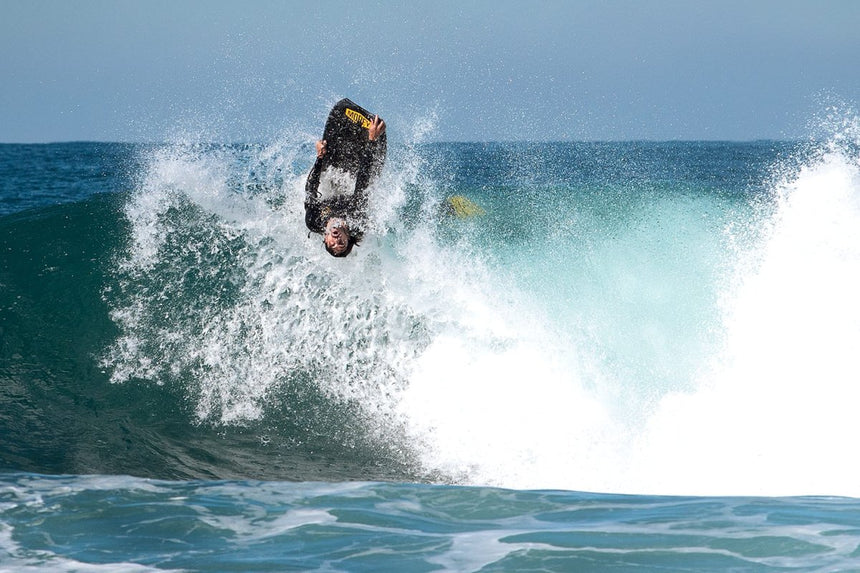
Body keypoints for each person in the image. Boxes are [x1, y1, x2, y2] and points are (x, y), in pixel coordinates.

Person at [304, 100, 387, 257]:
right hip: (364, 169)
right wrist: (371, 141)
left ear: (325, 239)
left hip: (339, 176)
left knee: (342, 109)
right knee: (379, 125)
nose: (336, 240)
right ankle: (372, 135)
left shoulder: (314, 222)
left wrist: (320, 158)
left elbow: (310, 190)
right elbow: (362, 181)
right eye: (341, 243)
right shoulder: (355, 219)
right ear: (348, 237)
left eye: (332, 243)